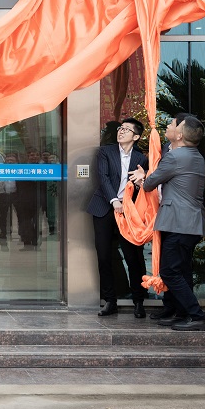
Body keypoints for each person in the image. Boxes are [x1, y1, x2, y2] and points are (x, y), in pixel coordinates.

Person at [130, 113, 205, 331]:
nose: (169, 125)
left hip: (178, 223)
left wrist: (142, 177)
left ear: (180, 135)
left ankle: (196, 316)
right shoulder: (195, 155)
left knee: (170, 272)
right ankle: (183, 313)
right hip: (189, 223)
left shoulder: (176, 157)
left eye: (173, 124)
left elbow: (149, 184)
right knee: (182, 271)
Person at [86, 118, 149, 318]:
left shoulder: (141, 158)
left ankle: (138, 301)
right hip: (105, 208)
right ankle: (110, 301)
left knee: (133, 257)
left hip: (128, 211)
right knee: (104, 256)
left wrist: (140, 182)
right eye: (121, 128)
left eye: (126, 129)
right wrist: (114, 200)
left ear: (136, 137)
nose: (121, 131)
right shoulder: (106, 152)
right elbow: (103, 178)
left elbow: (143, 188)